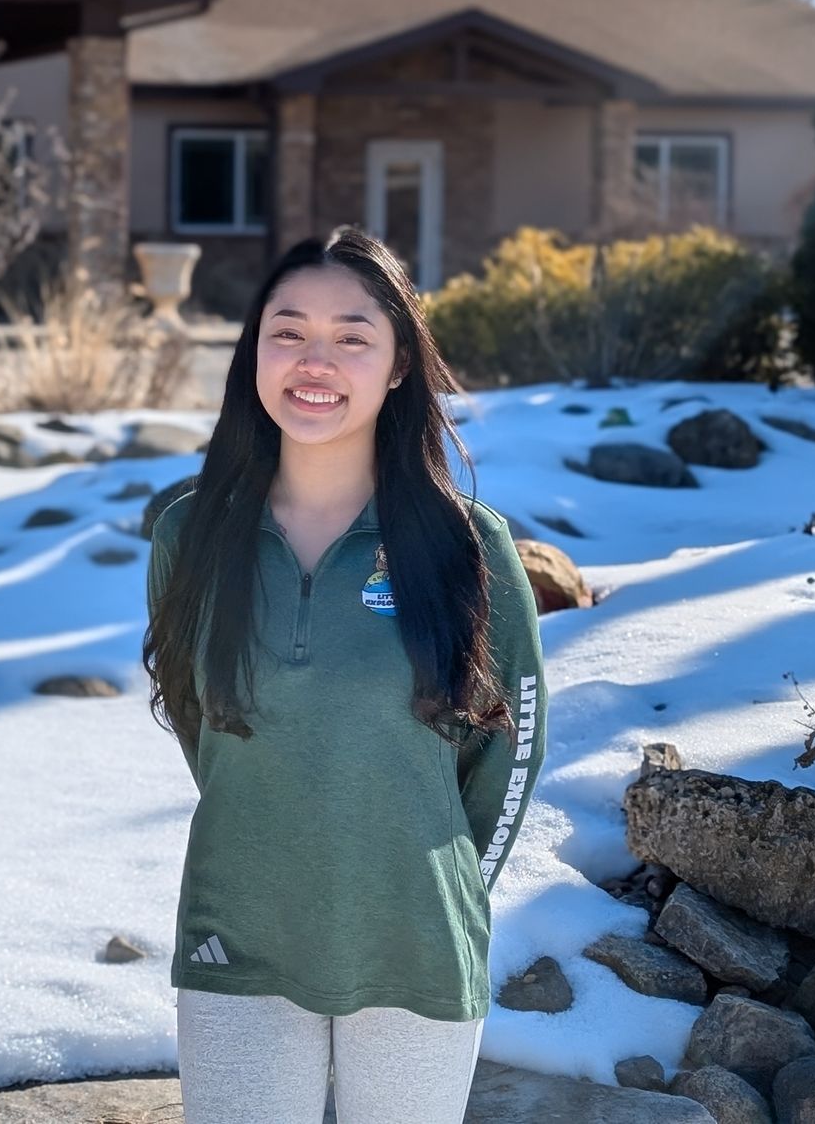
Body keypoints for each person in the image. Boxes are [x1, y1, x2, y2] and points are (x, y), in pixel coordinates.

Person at [142, 226, 548, 1124]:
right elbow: (201, 724)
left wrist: (433, 884)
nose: (313, 360)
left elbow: (508, 754)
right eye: (287, 331)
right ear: (254, 349)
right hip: (237, 935)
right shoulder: (189, 536)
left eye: (352, 336)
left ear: (399, 364)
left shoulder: (468, 549)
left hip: (414, 945)